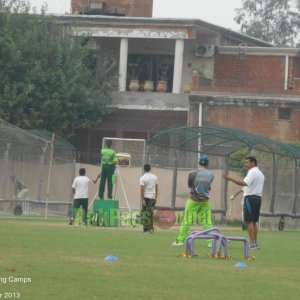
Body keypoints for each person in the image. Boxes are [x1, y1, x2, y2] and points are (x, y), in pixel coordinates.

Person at [223, 156, 265, 249]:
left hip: (250, 198)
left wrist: (230, 178)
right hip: (258, 198)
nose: (245, 164)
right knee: (254, 222)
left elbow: (243, 183)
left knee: (249, 221)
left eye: (247, 162)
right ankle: (255, 243)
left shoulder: (252, 172)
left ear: (253, 163)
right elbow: (245, 187)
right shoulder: (260, 173)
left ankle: (253, 243)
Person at [172, 155, 214, 247]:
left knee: (187, 221)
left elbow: (190, 185)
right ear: (207, 164)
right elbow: (208, 187)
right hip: (205, 202)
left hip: (193, 201)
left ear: (198, 163)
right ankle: (211, 242)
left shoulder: (192, 173)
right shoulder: (211, 175)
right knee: (207, 221)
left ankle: (180, 241)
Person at [139, 164, 158, 233]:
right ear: (150, 169)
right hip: (152, 197)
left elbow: (142, 189)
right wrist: (156, 197)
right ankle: (151, 229)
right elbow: (156, 188)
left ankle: (146, 229)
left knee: (145, 213)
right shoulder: (155, 177)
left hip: (146, 197)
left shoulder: (142, 178)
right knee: (151, 213)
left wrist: (143, 199)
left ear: (144, 169)